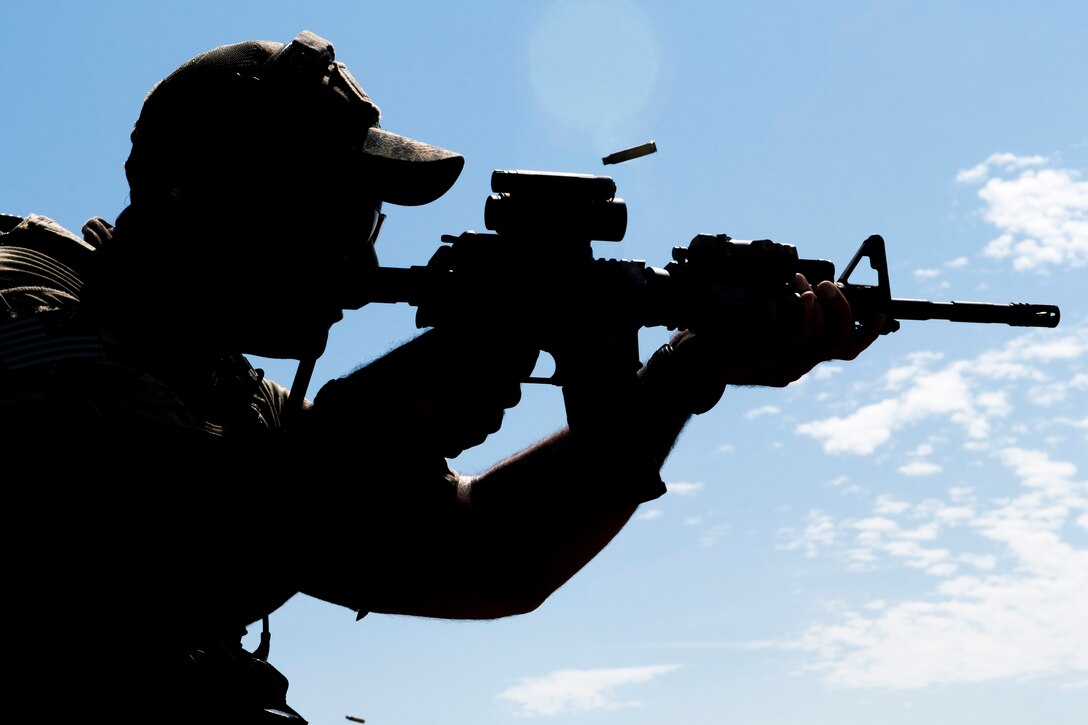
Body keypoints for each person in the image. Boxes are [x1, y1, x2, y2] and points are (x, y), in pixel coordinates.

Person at [0, 30, 882, 724]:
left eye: (368, 217)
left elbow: (489, 556)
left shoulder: (212, 388)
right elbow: (148, 541)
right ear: (220, 201)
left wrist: (680, 378)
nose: (360, 252)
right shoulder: (28, 307)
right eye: (335, 212)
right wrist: (405, 406)